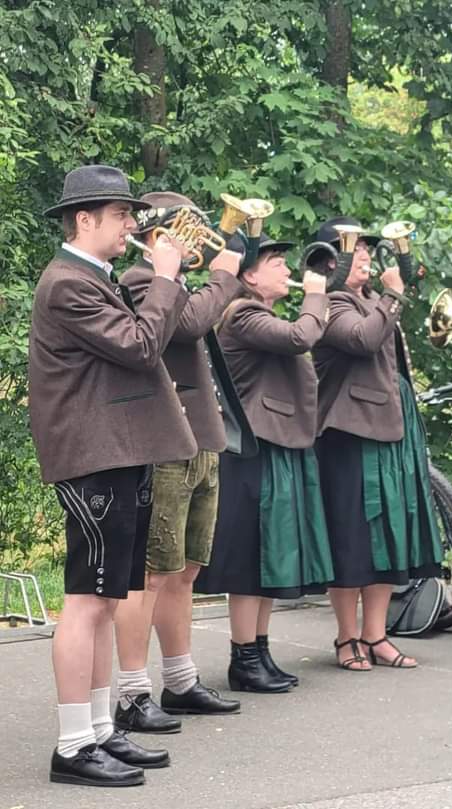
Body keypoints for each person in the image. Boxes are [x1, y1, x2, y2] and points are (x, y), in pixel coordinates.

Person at [31, 165, 195, 786]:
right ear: (84, 219)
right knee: (85, 601)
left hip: (118, 450)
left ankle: (100, 729)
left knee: (104, 600)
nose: (133, 224)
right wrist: (165, 277)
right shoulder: (68, 284)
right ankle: (73, 745)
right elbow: (138, 347)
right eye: (122, 214)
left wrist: (162, 282)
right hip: (94, 453)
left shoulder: (92, 278)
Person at [112, 193, 244, 735]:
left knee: (186, 570)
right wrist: (225, 275)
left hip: (201, 437)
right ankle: (133, 691)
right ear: (159, 234)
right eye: (186, 230)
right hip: (164, 442)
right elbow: (188, 325)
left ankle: (180, 678)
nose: (197, 239)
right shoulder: (143, 279)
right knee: (151, 574)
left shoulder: (178, 282)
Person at [194, 235, 334, 691]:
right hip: (253, 448)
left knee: (270, 555)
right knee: (252, 559)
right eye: (276, 263)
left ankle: (259, 651)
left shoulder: (258, 313)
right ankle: (244, 659)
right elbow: (302, 336)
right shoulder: (242, 314)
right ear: (249, 275)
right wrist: (317, 293)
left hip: (274, 443)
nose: (286, 270)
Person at [311, 217, 444, 670]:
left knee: (389, 534)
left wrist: (391, 294)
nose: (366, 255)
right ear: (332, 260)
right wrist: (394, 295)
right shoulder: (328, 302)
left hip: (391, 427)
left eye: (369, 248)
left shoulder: (370, 299)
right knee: (351, 536)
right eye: (356, 249)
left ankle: (377, 634)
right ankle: (347, 638)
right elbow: (364, 340)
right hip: (349, 434)